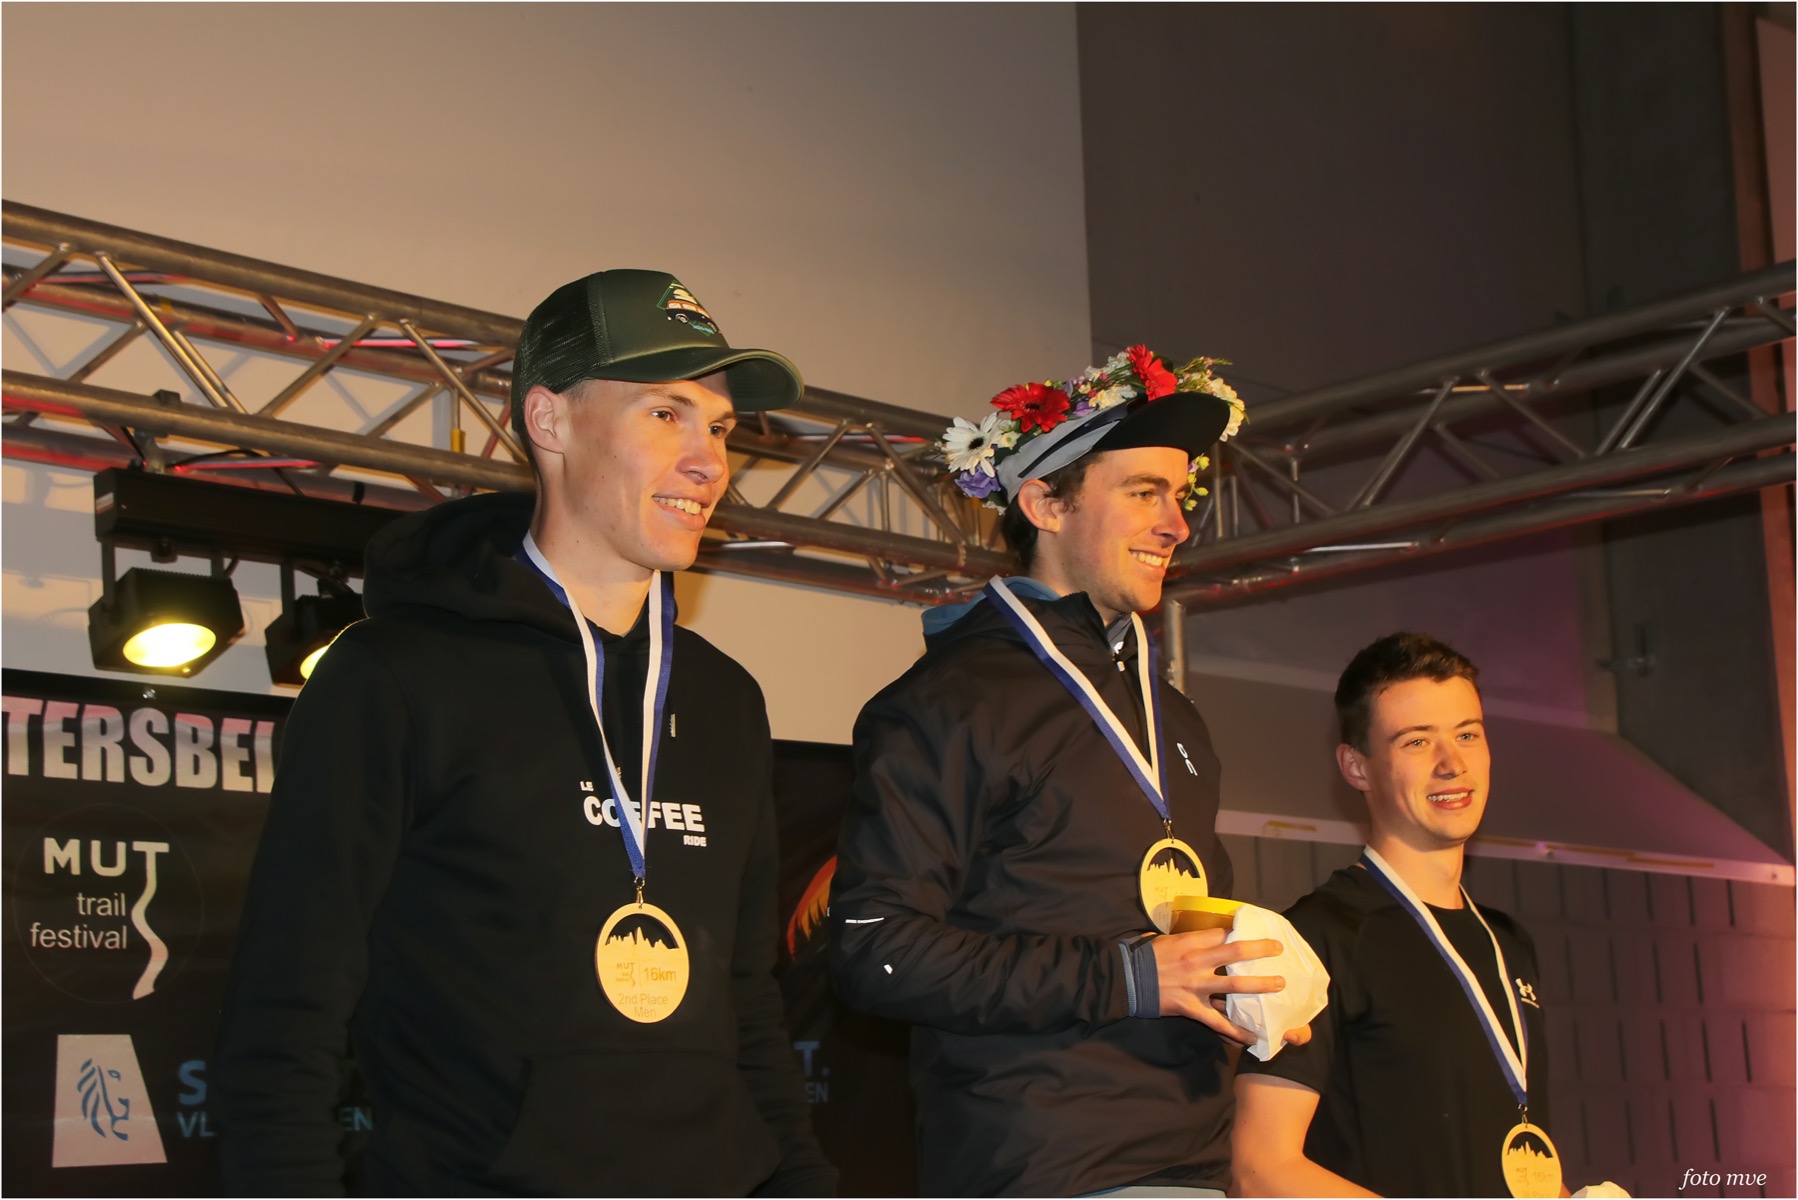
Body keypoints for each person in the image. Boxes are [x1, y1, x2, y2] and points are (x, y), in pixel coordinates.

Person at [214, 269, 836, 1196]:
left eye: (719, 427)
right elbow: (284, 1016)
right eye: (666, 414)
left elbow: (747, 1007)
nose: (710, 462)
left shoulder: (724, 700)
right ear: (549, 421)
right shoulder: (396, 676)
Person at [830, 347, 1305, 1197]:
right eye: (1144, 493)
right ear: (1045, 503)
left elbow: (1168, 941)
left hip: (1197, 1163)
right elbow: (876, 949)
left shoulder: (1174, 717)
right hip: (1043, 1168)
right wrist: (1125, 977)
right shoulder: (952, 699)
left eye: (1181, 496)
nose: (1177, 525)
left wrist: (1248, 986)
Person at [1233, 633, 1559, 1199]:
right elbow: (1260, 1170)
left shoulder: (1508, 943)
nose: (1452, 764)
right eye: (1417, 742)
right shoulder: (1317, 936)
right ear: (1357, 767)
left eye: (1467, 735)